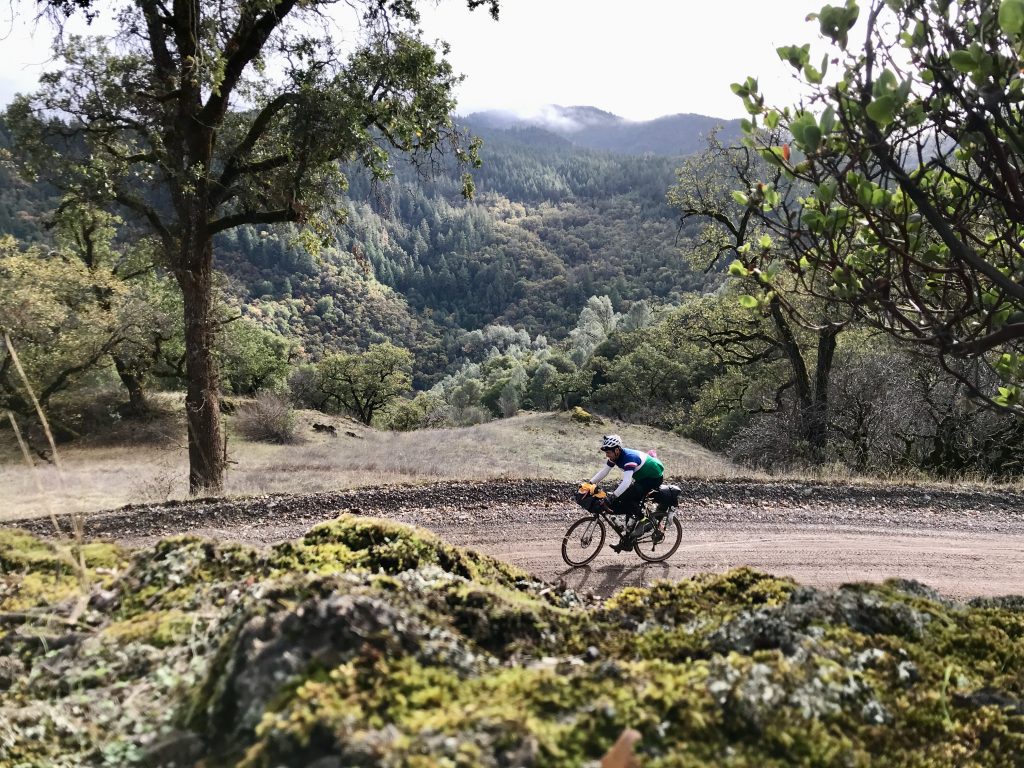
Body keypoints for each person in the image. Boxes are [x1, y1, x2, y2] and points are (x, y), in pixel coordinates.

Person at [589, 433, 664, 552]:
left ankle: (645, 521)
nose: (607, 455)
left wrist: (612, 497)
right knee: (624, 500)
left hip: (653, 478)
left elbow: (627, 482)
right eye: (606, 452)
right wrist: (589, 483)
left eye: (609, 452)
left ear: (617, 450)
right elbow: (604, 471)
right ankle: (627, 540)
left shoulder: (628, 458)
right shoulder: (616, 456)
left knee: (627, 497)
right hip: (642, 477)